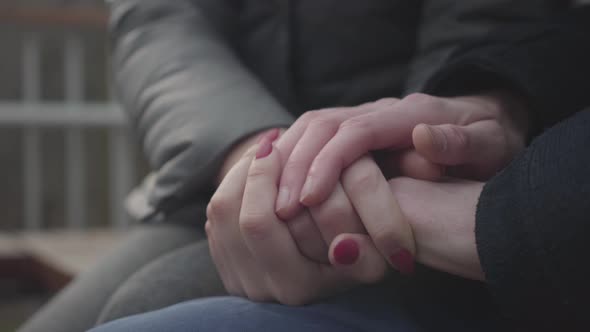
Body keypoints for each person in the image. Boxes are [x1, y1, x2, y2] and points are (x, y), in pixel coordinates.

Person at [17, 1, 567, 332]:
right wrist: (259, 156)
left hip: (406, 193)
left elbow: (485, 30)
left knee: (152, 301)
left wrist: (400, 151)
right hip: (222, 180)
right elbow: (161, 27)